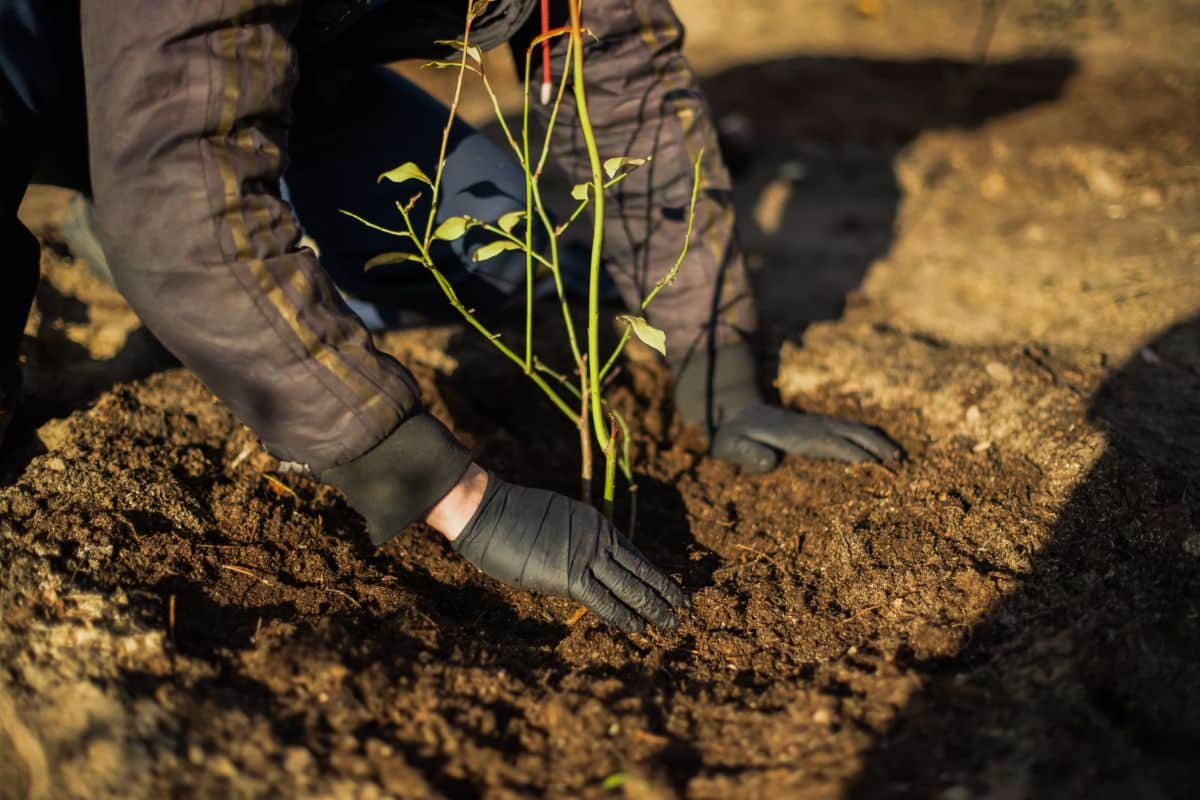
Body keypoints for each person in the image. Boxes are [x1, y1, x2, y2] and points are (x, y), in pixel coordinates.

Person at [0, 0, 899, 633]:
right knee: (168, 219)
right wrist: (450, 494)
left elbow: (631, 80)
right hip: (40, 49)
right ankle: (154, 250)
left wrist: (715, 361)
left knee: (514, 257)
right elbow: (178, 185)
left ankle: (181, 266)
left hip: (254, 77)